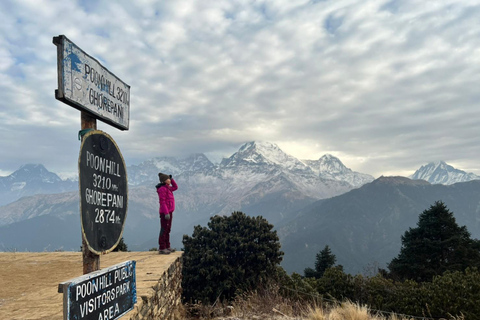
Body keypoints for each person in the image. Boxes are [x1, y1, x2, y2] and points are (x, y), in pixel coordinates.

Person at [156, 173, 178, 254]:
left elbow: (176, 187)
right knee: (164, 229)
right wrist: (166, 213)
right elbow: (162, 202)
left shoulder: (168, 188)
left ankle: (167, 246)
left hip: (170, 212)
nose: (169, 180)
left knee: (168, 229)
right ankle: (162, 247)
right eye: (168, 179)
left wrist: (172, 179)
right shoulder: (162, 189)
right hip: (165, 213)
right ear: (164, 181)